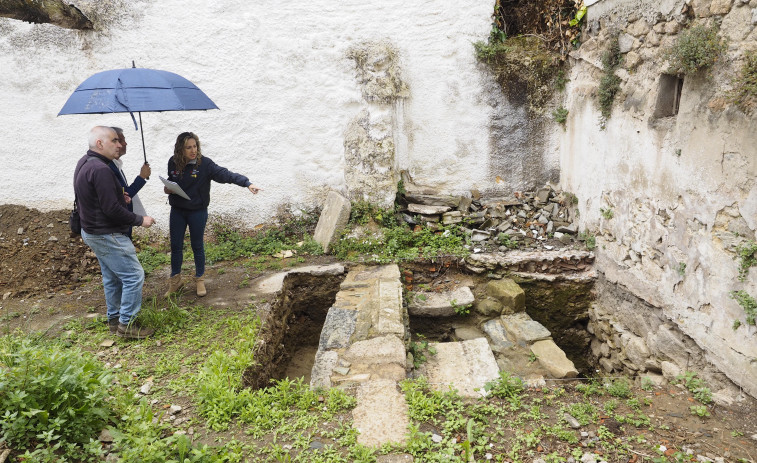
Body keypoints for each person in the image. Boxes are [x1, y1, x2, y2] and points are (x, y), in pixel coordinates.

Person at [74, 126, 157, 339]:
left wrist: (122, 198)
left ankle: (114, 319)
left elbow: (100, 200)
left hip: (92, 231)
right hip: (107, 233)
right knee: (133, 275)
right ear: (100, 143)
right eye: (114, 140)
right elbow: (111, 210)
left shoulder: (85, 162)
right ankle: (126, 325)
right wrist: (140, 220)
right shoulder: (101, 169)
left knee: (111, 277)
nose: (119, 144)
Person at [164, 131, 262, 297]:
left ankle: (200, 280)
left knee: (197, 245)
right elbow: (172, 182)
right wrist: (168, 188)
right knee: (175, 246)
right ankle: (175, 281)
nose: (193, 150)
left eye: (195, 146)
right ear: (180, 149)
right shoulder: (173, 163)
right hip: (178, 211)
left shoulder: (205, 165)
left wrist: (247, 183)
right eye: (188, 147)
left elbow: (225, 174)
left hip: (197, 211)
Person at [109, 127, 151, 238]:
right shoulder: (109, 167)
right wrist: (141, 177)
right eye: (121, 140)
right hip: (118, 227)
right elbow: (125, 195)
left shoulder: (116, 165)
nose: (125, 143)